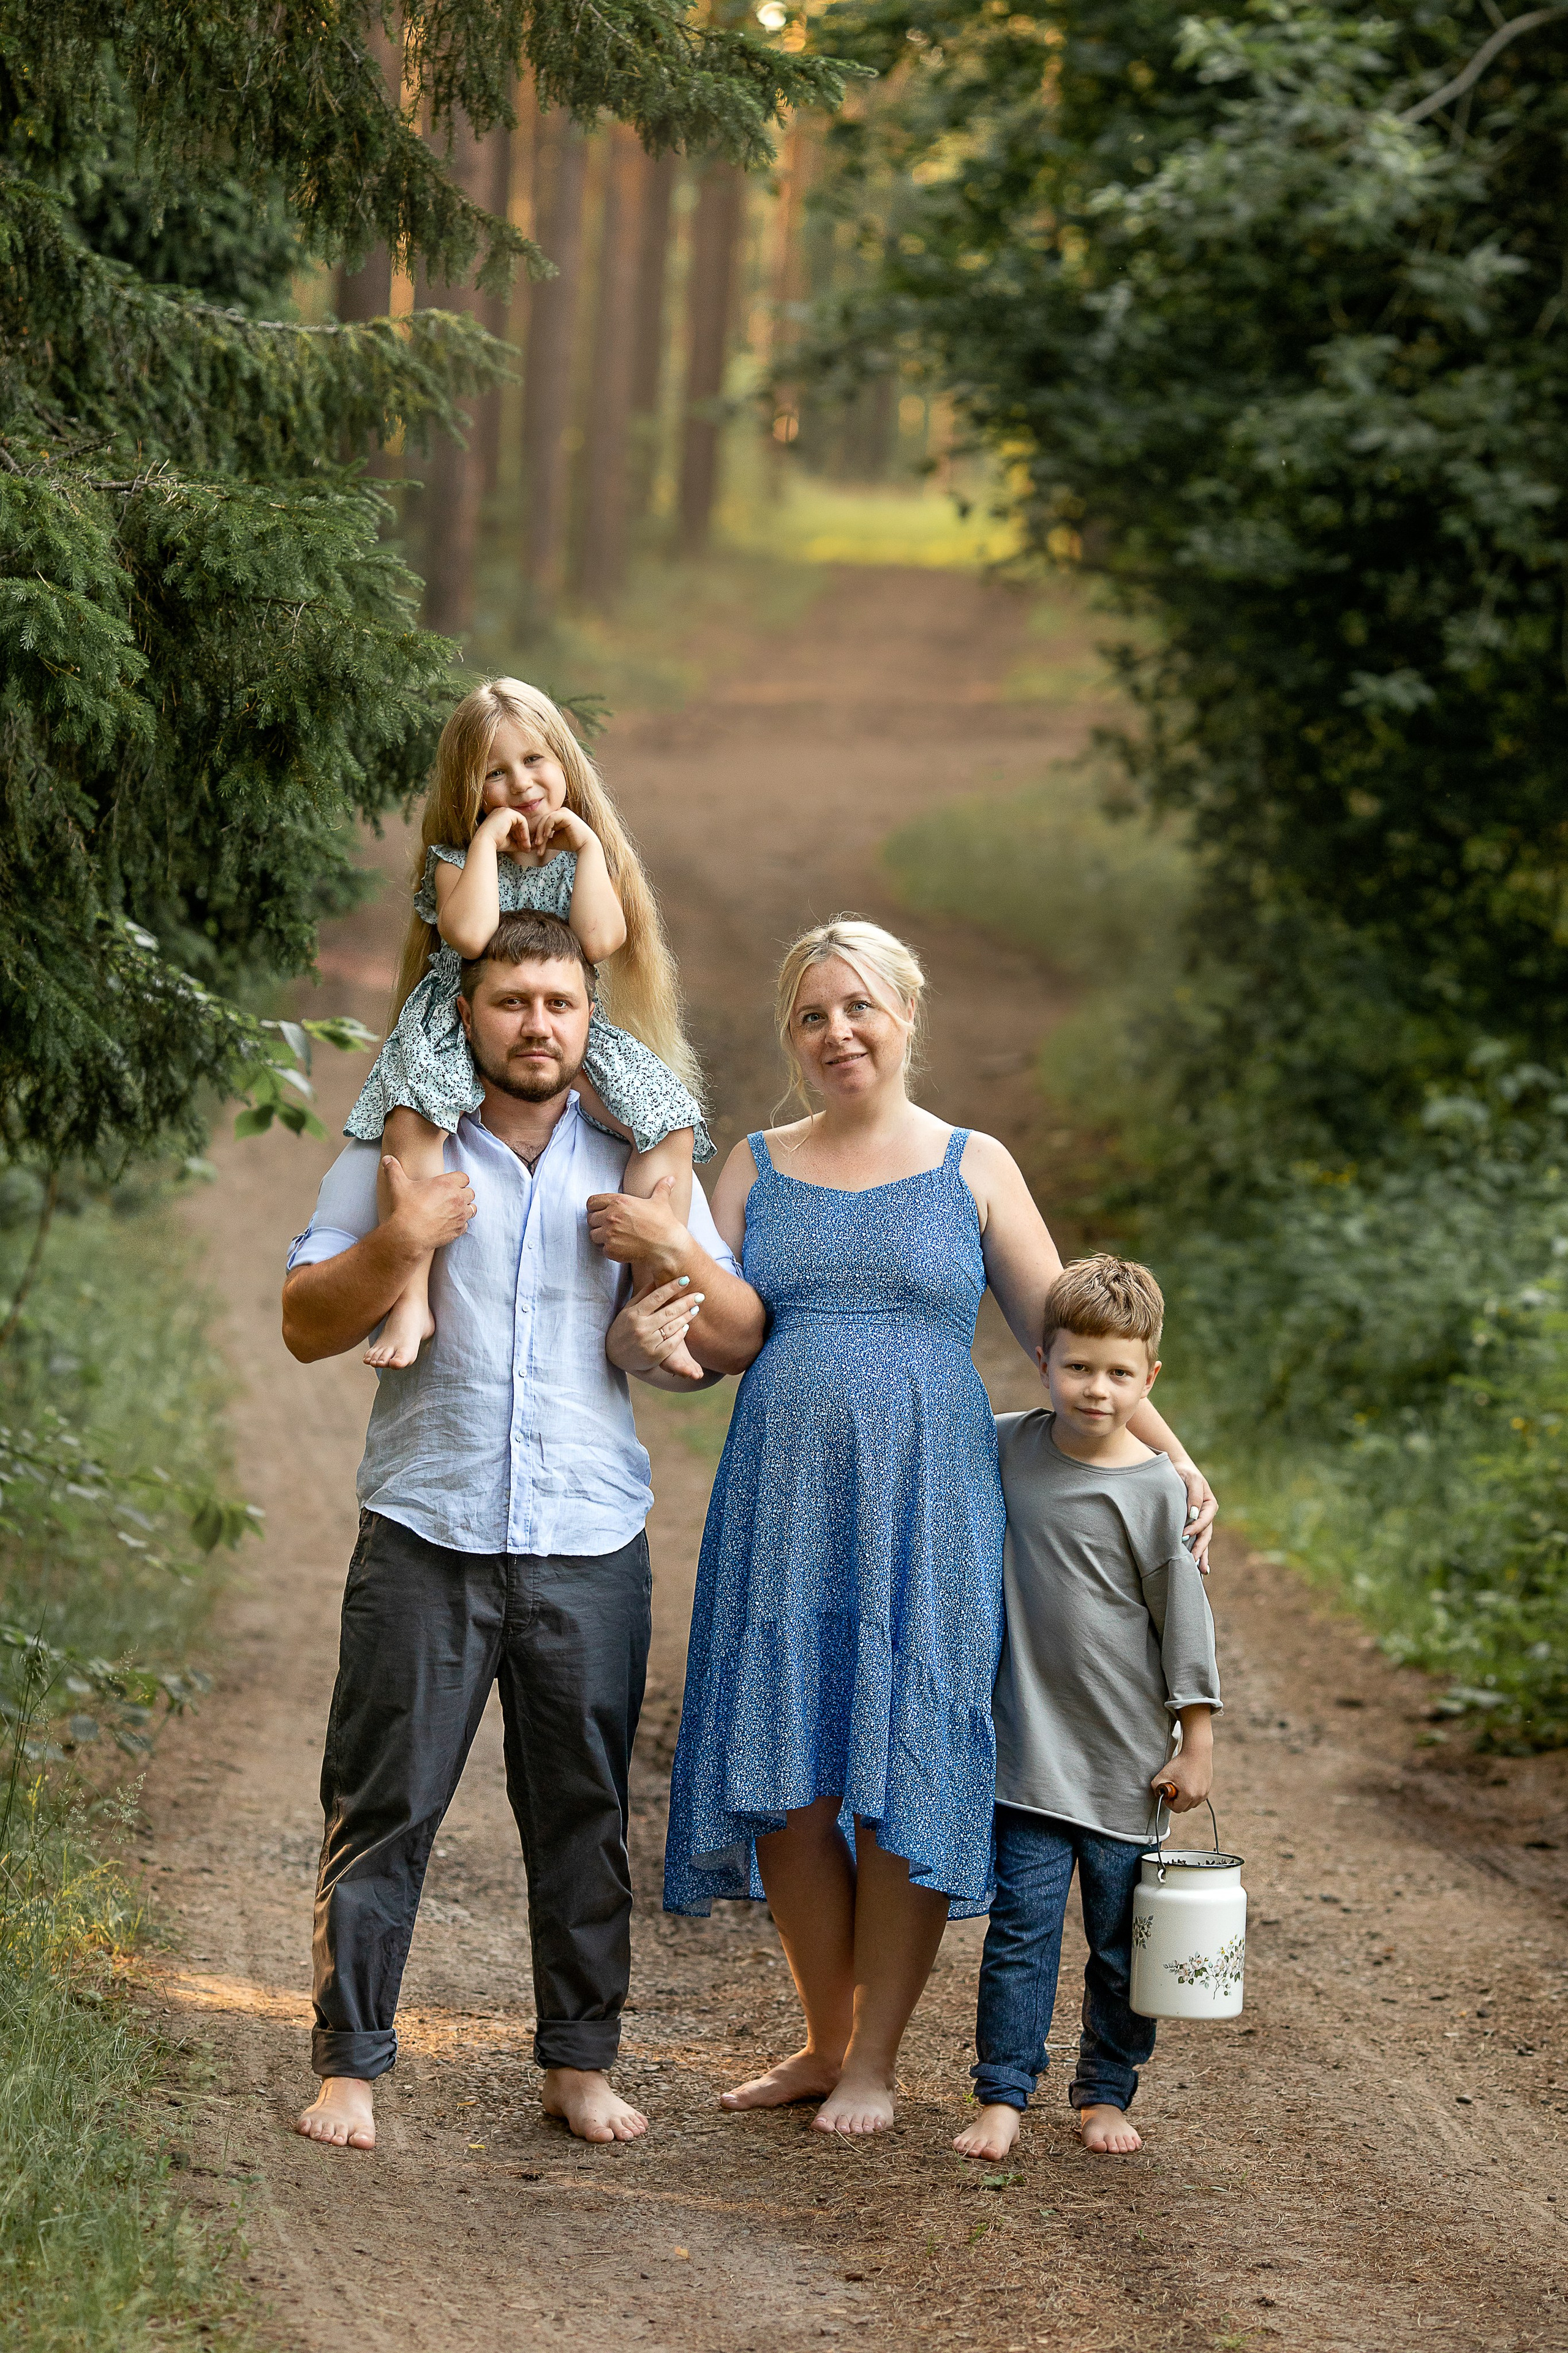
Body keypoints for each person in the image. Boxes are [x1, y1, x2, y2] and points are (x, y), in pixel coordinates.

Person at [638, 917, 1217, 2137]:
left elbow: (1066, 1337)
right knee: (792, 1780)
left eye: (858, 1007)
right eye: (811, 1014)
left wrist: (1170, 1458)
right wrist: (657, 1351)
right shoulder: (752, 1164)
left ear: (906, 1015)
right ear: (789, 1035)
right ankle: (821, 2038)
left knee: (904, 1763)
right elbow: (710, 1343)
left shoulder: (973, 1164)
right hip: (783, 1501)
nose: (836, 1032)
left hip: (931, 1504)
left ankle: (875, 2062)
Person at [279, 909, 763, 2151]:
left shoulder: (641, 1152)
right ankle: (350, 2069)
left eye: (558, 1002)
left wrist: (672, 1250)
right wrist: (403, 1236)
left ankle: (579, 2064)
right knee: (382, 1801)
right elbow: (303, 1319)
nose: (536, 1024)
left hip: (586, 1535)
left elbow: (730, 1338)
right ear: (468, 1013)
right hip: (424, 1527)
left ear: (590, 1016)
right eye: (511, 1003)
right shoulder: (401, 1146)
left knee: (582, 1810)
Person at [345, 677, 711, 1374]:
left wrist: (591, 851)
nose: (520, 783)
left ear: (564, 765)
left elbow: (600, 939)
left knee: (665, 1118)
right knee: (412, 1121)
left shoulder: (582, 857)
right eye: (495, 773)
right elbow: (473, 933)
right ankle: (412, 1297)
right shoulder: (456, 861)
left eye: (535, 761)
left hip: (563, 1021)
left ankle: (653, 1300)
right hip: (462, 1024)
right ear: (469, 790)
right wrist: (486, 842)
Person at [954, 1255, 1221, 2165]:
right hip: (1028, 1754)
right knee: (1020, 1935)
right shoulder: (1006, 1445)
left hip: (1126, 1766)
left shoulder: (1158, 1491)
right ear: (1043, 1358)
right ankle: (1003, 2094)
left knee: (1121, 1947)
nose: (1095, 1388)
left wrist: (1197, 1742)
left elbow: (1185, 1625)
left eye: (1118, 1372)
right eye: (1077, 1367)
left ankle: (1105, 2090)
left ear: (1149, 1379)